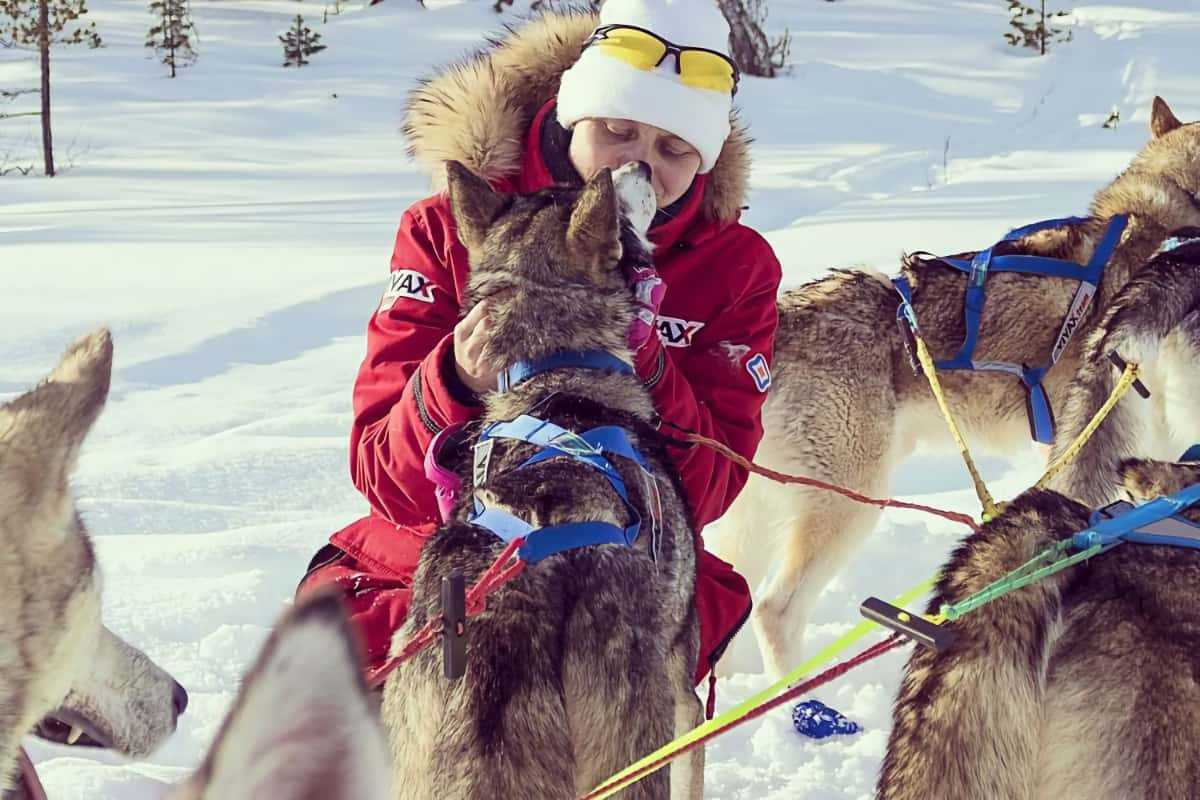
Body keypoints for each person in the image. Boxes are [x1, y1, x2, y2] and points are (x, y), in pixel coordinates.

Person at [299, 0, 782, 696]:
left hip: (624, 560)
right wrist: (456, 379)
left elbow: (707, 490)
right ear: (570, 114)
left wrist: (641, 355)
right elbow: (383, 472)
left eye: (674, 149)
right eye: (619, 131)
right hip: (447, 548)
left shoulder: (732, 266)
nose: (640, 165)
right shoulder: (453, 225)